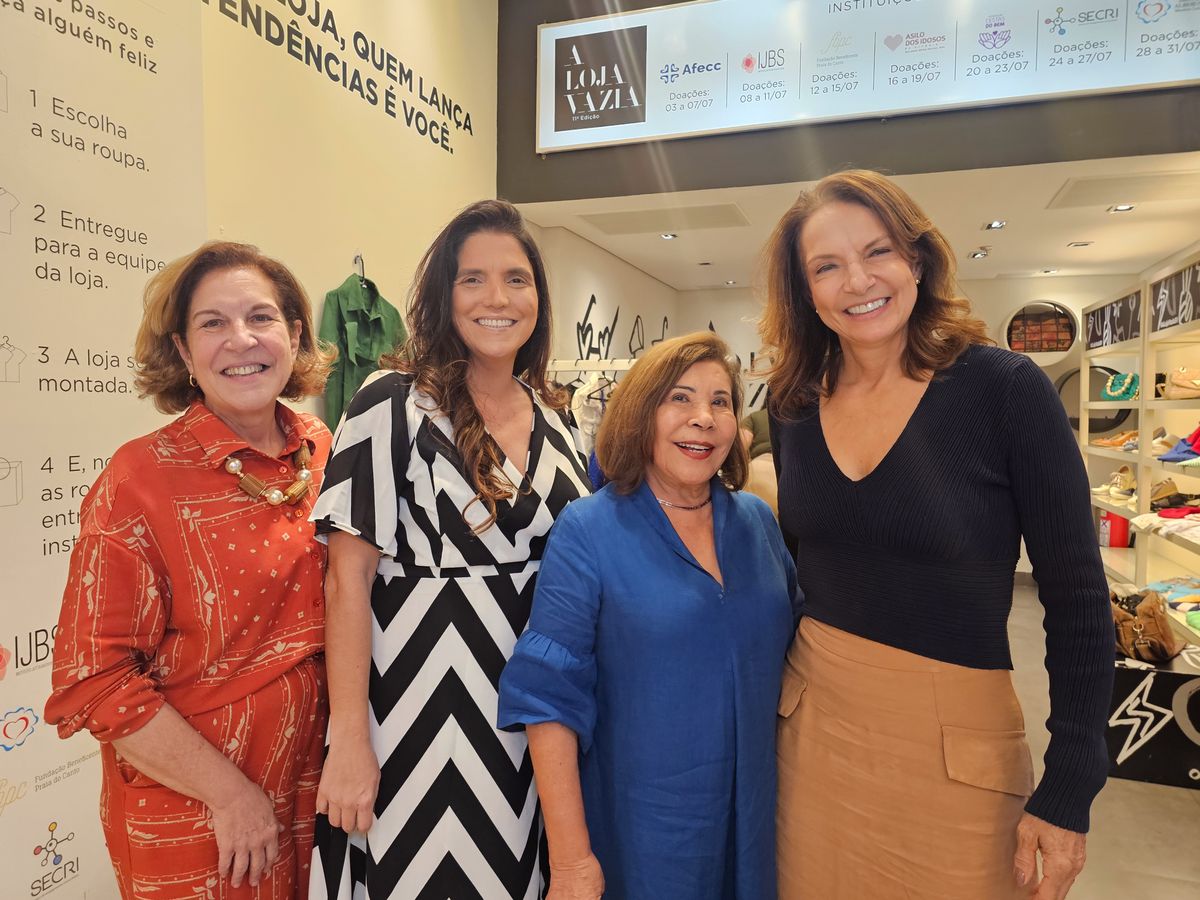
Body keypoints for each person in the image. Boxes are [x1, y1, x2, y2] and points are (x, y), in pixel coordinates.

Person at [761, 169, 1112, 900]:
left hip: (961, 750)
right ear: (805, 290)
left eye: (878, 252)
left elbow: (1078, 597)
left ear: (917, 259)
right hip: (811, 732)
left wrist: (1072, 782)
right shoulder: (791, 403)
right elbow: (797, 573)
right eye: (826, 266)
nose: (857, 281)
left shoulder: (1006, 391)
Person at [308, 200, 592, 900]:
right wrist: (348, 741)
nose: (497, 298)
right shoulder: (391, 401)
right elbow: (347, 582)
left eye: (516, 279)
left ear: (539, 299)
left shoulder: (559, 415)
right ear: (444, 294)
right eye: (473, 280)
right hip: (416, 715)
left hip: (533, 721)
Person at [46, 241, 337, 898]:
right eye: (213, 323)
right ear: (182, 350)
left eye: (261, 318)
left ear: (293, 335)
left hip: (311, 792)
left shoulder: (320, 451)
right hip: (202, 808)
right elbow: (94, 681)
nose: (241, 339)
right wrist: (231, 797)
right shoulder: (138, 480)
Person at [498, 331, 799, 900]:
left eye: (720, 401)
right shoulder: (590, 529)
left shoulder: (757, 523)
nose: (703, 418)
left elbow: (800, 653)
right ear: (641, 414)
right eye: (680, 399)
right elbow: (546, 701)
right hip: (645, 833)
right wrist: (571, 861)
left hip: (756, 822)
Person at [739, 405, 778, 514]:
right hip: (792, 470)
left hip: (761, 468)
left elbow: (741, 446)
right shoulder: (795, 418)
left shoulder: (755, 417)